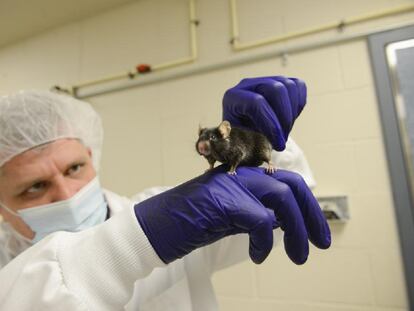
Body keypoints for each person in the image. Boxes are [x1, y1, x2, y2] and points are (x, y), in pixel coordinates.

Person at [0, 76, 331, 310]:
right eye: (35, 187)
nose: (67, 193)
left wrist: (254, 144)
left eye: (74, 169)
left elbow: (283, 197)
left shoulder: (170, 209)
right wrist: (126, 249)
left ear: (92, 158)